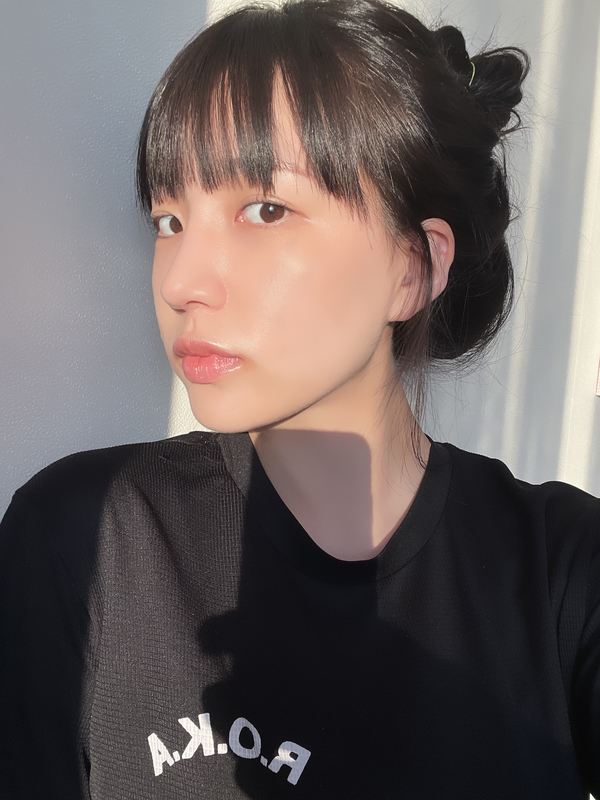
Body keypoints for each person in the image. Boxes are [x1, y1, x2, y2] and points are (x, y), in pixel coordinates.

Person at [0, 0, 598, 797]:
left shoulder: (564, 573)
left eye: (266, 210)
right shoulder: (90, 535)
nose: (181, 282)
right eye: (169, 219)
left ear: (414, 268)